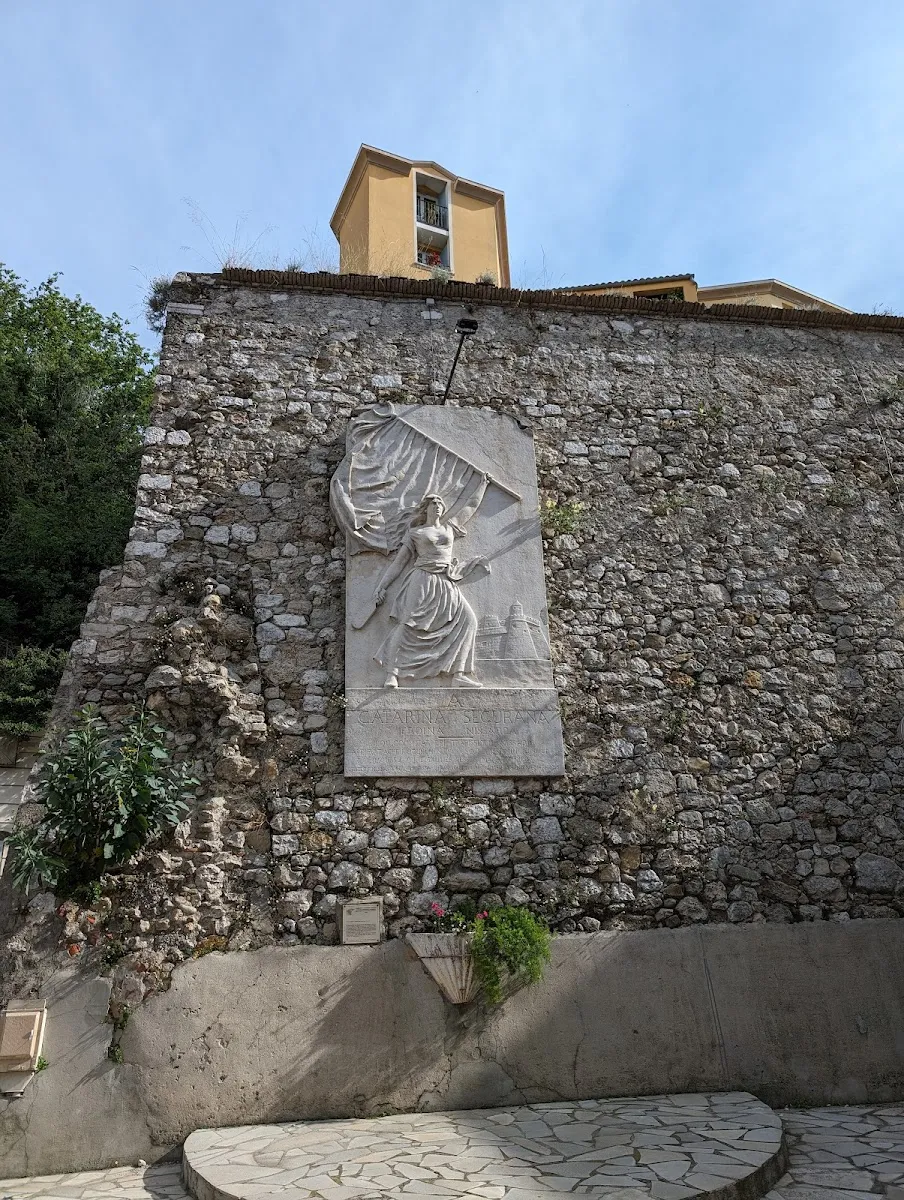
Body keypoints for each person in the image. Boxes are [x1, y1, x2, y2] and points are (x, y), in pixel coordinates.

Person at [373, 494, 488, 688]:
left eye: (439, 503)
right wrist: (381, 586)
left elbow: (471, 505)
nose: (437, 506)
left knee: (468, 620)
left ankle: (458, 674)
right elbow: (399, 562)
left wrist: (483, 483)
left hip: (445, 580)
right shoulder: (415, 533)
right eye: (432, 503)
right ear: (425, 508)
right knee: (408, 625)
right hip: (422, 580)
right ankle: (391, 673)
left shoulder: (449, 528)